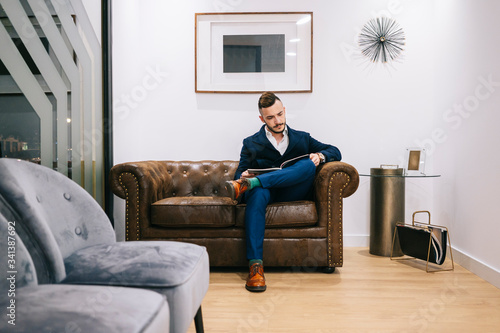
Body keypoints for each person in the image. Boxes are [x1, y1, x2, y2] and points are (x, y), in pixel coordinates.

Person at [225, 92, 341, 292]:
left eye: (279, 114)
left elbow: (335, 151)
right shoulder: (251, 143)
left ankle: (254, 183)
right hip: (265, 194)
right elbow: (238, 174)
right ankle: (255, 268)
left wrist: (320, 156)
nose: (277, 121)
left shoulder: (302, 138)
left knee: (307, 165)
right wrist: (242, 176)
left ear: (285, 111)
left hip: (293, 191)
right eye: (270, 117)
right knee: (257, 192)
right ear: (262, 119)